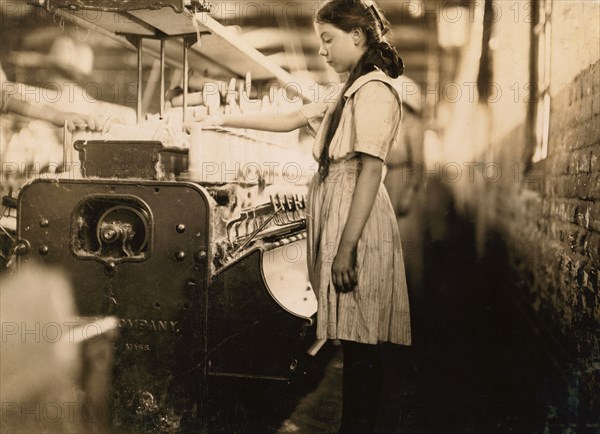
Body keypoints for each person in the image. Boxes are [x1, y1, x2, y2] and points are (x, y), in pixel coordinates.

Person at [198, 1, 411, 432]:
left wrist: (347, 249)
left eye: (328, 40)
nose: (322, 51)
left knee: (361, 343)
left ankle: (357, 427)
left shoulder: (373, 91)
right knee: (353, 339)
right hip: (340, 211)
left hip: (358, 220)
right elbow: (289, 119)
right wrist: (219, 118)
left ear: (357, 36)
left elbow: (372, 169)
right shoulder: (349, 91)